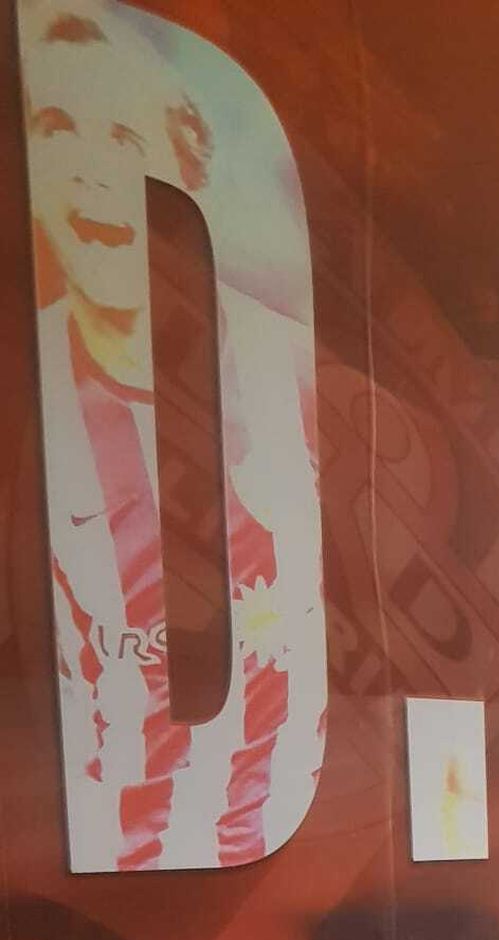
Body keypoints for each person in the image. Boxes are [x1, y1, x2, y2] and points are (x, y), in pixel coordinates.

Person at [20, 0, 322, 873]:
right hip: (137, 891)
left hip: (288, 866)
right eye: (59, 130)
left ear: (181, 175)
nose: (92, 173)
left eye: (127, 140)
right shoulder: (36, 433)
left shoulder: (292, 373)